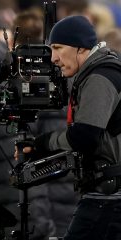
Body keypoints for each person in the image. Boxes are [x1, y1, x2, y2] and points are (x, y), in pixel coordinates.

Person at [18, 15, 121, 240]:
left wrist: (42, 143)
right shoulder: (91, 74)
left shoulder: (100, 77)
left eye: (58, 48)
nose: (53, 58)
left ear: (81, 48)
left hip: (109, 196)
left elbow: (85, 136)